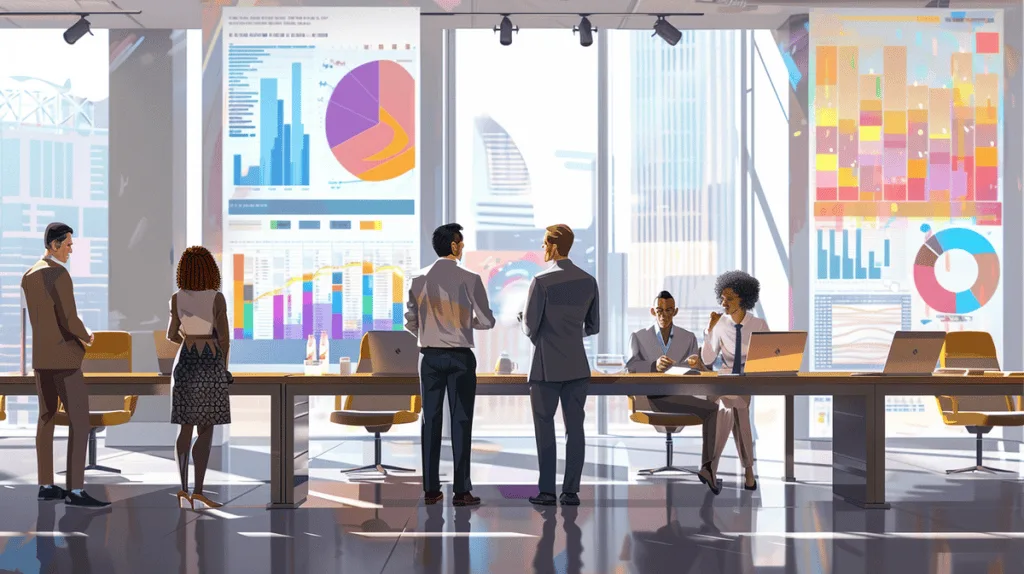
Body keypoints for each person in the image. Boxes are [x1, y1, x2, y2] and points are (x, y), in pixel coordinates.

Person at [405, 223, 495, 506]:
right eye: (462, 242)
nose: (464, 246)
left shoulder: (419, 278)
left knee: (430, 420)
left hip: (429, 357)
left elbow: (410, 322)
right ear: (454, 246)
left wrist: (431, 329)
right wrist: (463, 323)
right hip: (460, 357)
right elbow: (487, 321)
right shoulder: (469, 278)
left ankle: (431, 490)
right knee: (461, 421)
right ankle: (462, 491)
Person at [21, 222, 109, 507]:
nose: (71, 249)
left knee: (46, 418)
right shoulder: (58, 274)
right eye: (68, 244)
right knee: (80, 421)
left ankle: (46, 484)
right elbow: (69, 318)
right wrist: (88, 337)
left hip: (41, 359)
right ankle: (76, 490)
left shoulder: (29, 275)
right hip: (64, 359)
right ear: (54, 244)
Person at [518, 224, 599, 507]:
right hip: (577, 365)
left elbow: (530, 327)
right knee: (575, 429)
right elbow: (593, 326)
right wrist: (570, 332)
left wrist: (523, 322)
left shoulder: (541, 281)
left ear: (553, 246)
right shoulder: (589, 281)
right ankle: (571, 491)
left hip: (545, 366)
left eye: (544, 244)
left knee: (545, 428)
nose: (542, 249)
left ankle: (547, 492)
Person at [626, 291, 720, 494]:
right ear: (653, 311)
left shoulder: (688, 338)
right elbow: (630, 367)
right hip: (652, 398)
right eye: (659, 310)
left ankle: (707, 468)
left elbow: (699, 372)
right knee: (711, 410)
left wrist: (699, 364)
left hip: (681, 396)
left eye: (669, 311)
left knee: (712, 408)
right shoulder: (639, 337)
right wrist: (653, 365)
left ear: (675, 311)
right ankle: (708, 469)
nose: (664, 315)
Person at [686, 270, 767, 491]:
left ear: (744, 298)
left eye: (729, 298)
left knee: (730, 407)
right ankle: (748, 472)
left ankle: (711, 466)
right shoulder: (720, 324)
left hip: (745, 383)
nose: (724, 303)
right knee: (733, 407)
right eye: (722, 298)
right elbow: (708, 360)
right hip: (722, 381)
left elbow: (768, 358)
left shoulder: (758, 325)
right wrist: (709, 330)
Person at [166, 246, 233, 509]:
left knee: (185, 427)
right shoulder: (216, 298)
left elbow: (171, 335)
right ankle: (199, 491)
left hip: (185, 362)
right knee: (205, 430)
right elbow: (224, 338)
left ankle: (182, 491)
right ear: (209, 270)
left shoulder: (176, 298)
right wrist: (224, 368)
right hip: (209, 363)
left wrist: (187, 339)